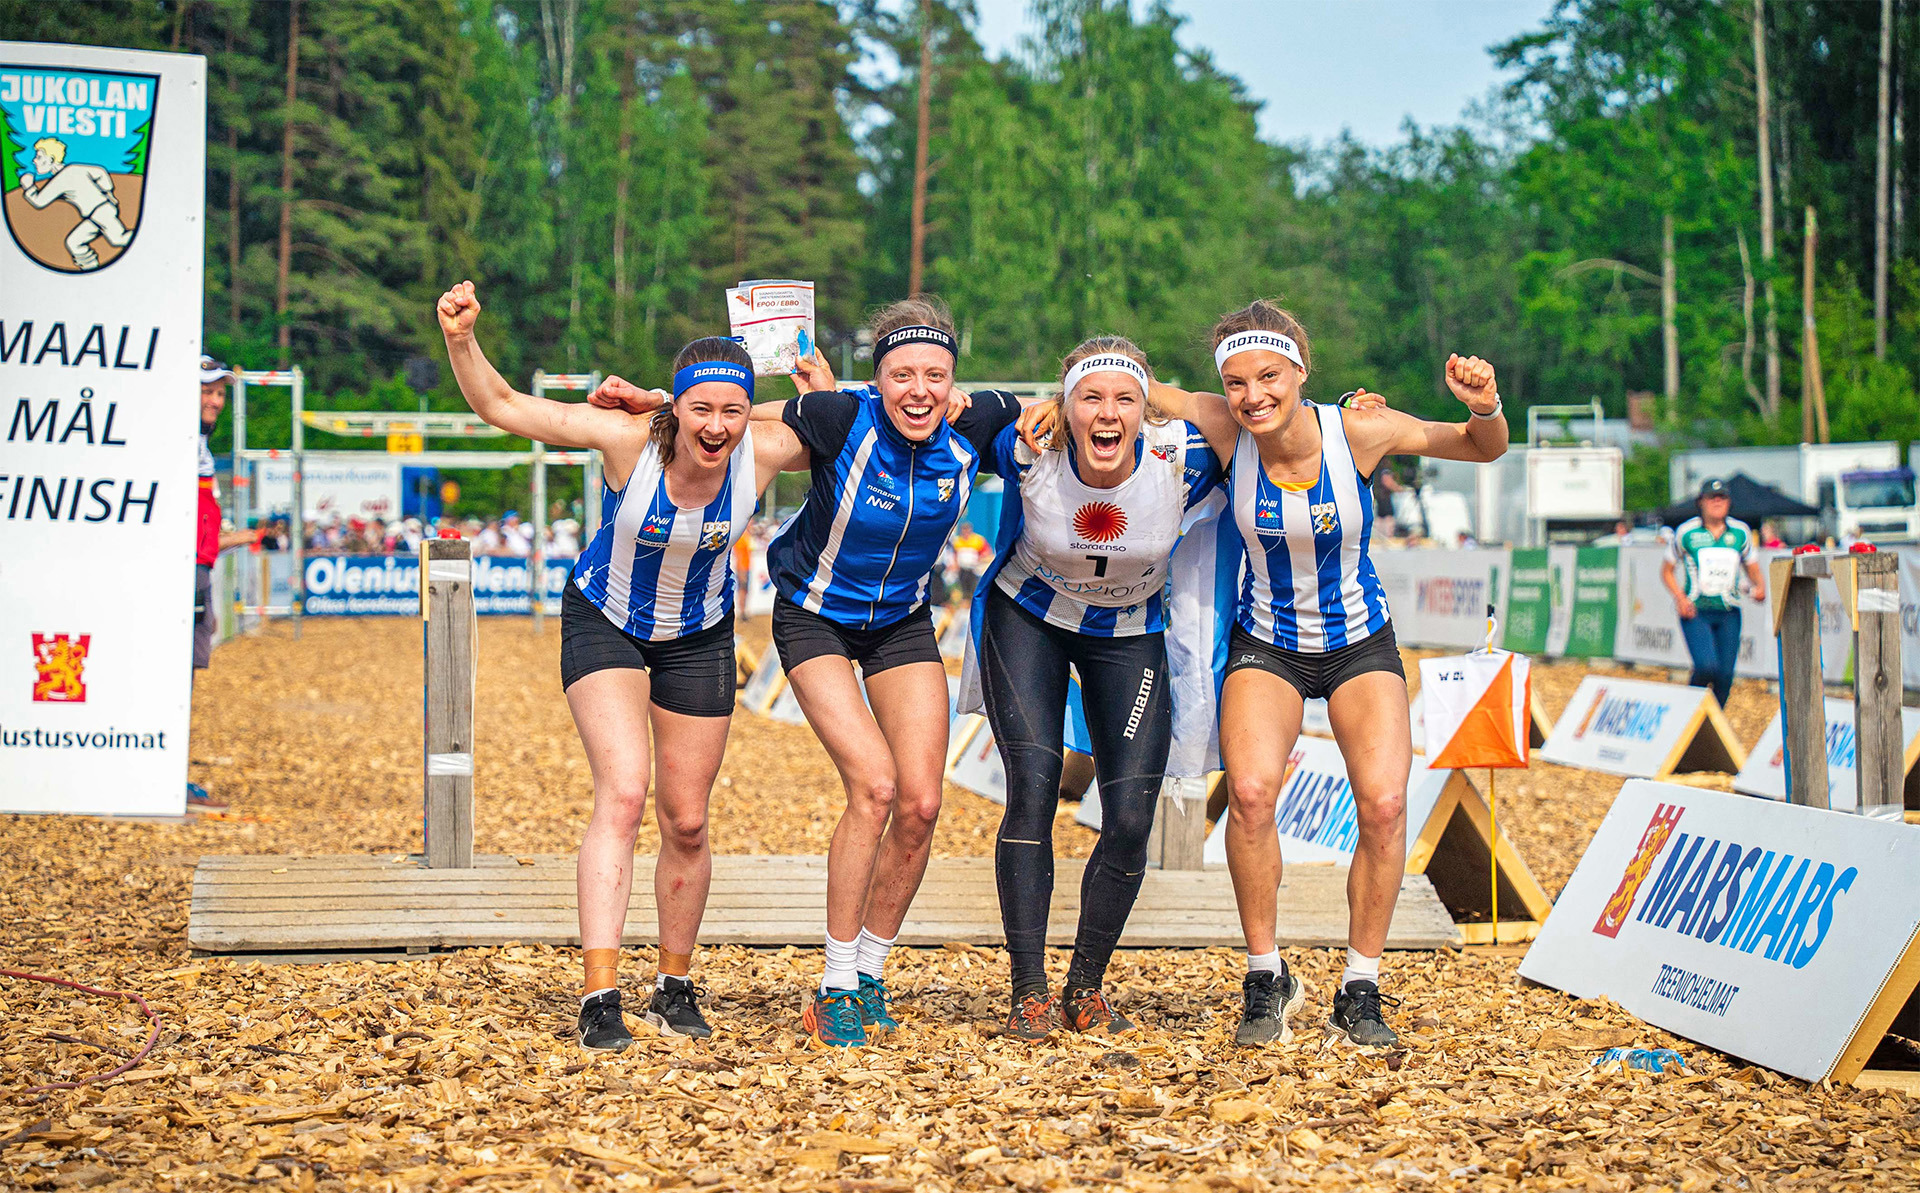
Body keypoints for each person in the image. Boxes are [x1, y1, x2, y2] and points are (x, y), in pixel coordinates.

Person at [1031, 301, 1505, 1050]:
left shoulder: (1360, 429)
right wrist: (1051, 405)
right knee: (1250, 795)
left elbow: (1482, 448)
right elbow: (1128, 383)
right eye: (1237, 381)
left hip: (1358, 641)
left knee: (1383, 805)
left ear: (1300, 372)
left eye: (1269, 378)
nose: (1253, 396)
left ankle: (1360, 984)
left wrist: (1485, 404)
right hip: (1269, 644)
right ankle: (1265, 974)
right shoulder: (1224, 425)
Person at [600, 296, 1025, 1047]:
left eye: (935, 374)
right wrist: (664, 405)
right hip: (815, 613)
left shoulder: (980, 421)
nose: (919, 390)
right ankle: (831, 985)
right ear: (877, 379)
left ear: (956, 379)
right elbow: (731, 420)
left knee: (922, 804)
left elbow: (1070, 409)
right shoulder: (837, 416)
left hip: (901, 621)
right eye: (901, 375)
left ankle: (868, 969)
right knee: (875, 785)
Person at [438, 280, 811, 1052]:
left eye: (732, 411)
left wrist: (806, 378)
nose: (716, 427)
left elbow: (859, 415)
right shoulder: (629, 441)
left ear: (749, 414)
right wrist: (461, 339)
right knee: (625, 792)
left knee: (687, 816)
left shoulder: (766, 448)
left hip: (699, 632)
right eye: (699, 409)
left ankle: (674, 987)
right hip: (605, 619)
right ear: (675, 410)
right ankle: (599, 995)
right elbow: (503, 405)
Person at [970, 338, 1225, 1039]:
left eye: (1125, 398)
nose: (1107, 413)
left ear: (1148, 409)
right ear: (1064, 406)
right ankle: (1028, 990)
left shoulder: (1185, 456)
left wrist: (1355, 411)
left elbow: (1276, 425)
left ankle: (1086, 984)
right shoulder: (1029, 448)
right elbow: (941, 416)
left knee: (1132, 820)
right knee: (1035, 784)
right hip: (1030, 617)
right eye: (1090, 397)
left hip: (1128, 631)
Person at [190, 357, 265, 813]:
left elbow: (203, 531)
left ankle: (167, 770)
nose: (215, 399)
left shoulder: (198, 445)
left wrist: (247, 537)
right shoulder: (177, 443)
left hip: (199, 569)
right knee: (176, 672)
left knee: (189, 671)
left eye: (220, 392)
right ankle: (160, 772)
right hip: (186, 574)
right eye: (207, 390)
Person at [1663, 479, 1765, 709]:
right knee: (1706, 666)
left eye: (1722, 498)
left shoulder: (1740, 532)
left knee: (1725, 675)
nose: (1717, 502)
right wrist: (1680, 598)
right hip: (1696, 610)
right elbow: (1667, 570)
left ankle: (1712, 723)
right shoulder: (1687, 532)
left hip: (1729, 611)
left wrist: (1759, 587)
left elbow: (1752, 567)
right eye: (1712, 498)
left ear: (1729, 502)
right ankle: (1689, 712)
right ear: (1701, 502)